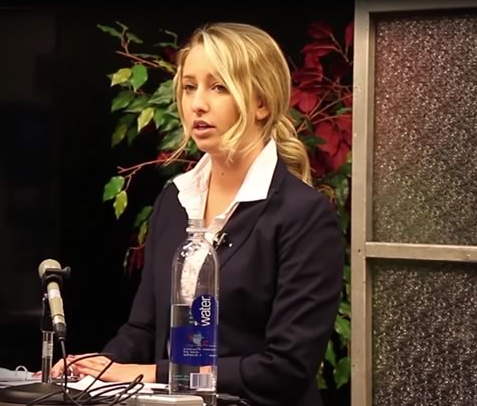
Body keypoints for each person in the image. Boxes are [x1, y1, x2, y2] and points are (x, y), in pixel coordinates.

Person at [52, 22, 344, 406]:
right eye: (190, 87)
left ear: (262, 103)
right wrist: (99, 366)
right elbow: (144, 329)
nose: (197, 104)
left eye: (218, 87)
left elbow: (285, 369)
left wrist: (154, 373)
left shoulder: (304, 214)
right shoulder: (174, 199)